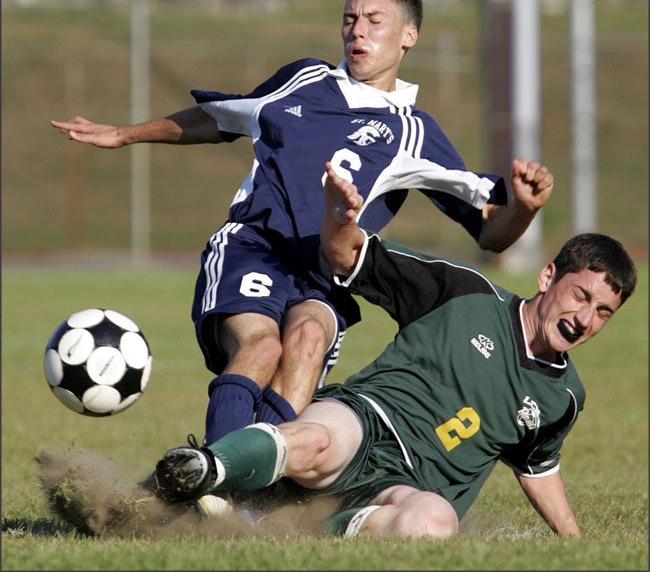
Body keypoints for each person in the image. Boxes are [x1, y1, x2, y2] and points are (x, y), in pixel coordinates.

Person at [51, 0, 553, 448]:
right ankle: (220, 474)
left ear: (408, 36)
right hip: (254, 247)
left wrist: (524, 209)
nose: (357, 31)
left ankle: (249, 484)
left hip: (325, 275)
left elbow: (490, 232)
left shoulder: (415, 133)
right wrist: (124, 134)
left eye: (374, 20)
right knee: (262, 347)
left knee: (309, 338)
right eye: (349, 18)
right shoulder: (303, 79)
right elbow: (220, 118)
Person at [151, 164, 637, 538]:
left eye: (603, 312)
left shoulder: (563, 397)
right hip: (366, 423)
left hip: (408, 487)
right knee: (317, 439)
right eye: (581, 296)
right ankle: (204, 471)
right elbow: (350, 256)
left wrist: (572, 539)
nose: (584, 319)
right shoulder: (464, 292)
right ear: (548, 277)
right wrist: (338, 216)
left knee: (435, 523)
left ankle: (292, 528)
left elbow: (537, 465)